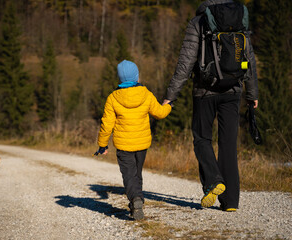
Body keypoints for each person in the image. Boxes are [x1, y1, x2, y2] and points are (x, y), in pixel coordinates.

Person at [163, 0, 258, 212]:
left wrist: (170, 95)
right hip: (233, 90)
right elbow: (248, 58)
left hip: (204, 91)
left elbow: (185, 63)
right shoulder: (239, 19)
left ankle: (214, 181)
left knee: (202, 138)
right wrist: (252, 93)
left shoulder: (199, 21)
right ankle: (230, 202)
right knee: (228, 145)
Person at [95, 60, 171, 220]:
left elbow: (106, 124)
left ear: (120, 78)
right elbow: (160, 113)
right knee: (137, 174)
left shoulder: (113, 98)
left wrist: (102, 144)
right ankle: (136, 203)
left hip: (123, 145)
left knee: (129, 175)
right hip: (142, 144)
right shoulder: (146, 94)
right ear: (136, 77)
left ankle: (136, 200)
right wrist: (168, 105)